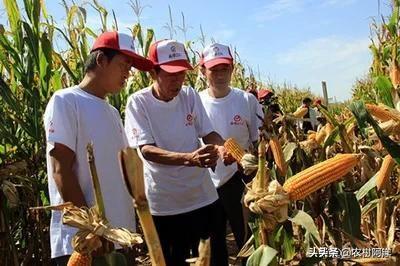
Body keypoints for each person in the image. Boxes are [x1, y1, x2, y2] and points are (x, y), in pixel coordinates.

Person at [43, 31, 154, 265]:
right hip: (84, 243)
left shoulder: (112, 112)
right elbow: (60, 169)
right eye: (124, 65)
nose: (128, 73)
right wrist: (94, 231)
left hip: (117, 238)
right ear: (101, 60)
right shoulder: (66, 101)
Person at [124, 39, 233, 266]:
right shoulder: (138, 103)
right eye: (171, 74)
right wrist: (189, 158)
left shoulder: (189, 95)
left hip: (202, 195)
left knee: (216, 259)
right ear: (153, 73)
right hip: (165, 203)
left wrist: (224, 148)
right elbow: (146, 150)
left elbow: (208, 132)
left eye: (182, 73)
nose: (178, 81)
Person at [199, 43, 263, 266]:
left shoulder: (247, 101)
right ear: (202, 71)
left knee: (247, 240)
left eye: (224, 69)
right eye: (213, 69)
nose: (219, 75)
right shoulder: (196, 102)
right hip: (207, 184)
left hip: (241, 182)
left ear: (232, 69)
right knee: (214, 246)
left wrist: (245, 159)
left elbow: (259, 144)